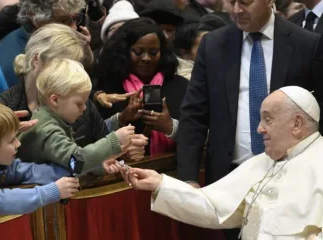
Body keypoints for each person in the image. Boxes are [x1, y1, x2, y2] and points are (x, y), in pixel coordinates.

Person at [125, 86, 323, 239]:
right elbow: (212, 207)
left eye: (267, 120)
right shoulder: (262, 162)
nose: (259, 129)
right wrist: (160, 183)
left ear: (297, 124)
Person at [0, 23, 147, 162]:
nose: (70, 74)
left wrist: (122, 151)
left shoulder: (82, 104)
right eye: (62, 66)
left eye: (75, 67)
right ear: (36, 59)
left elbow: (100, 155)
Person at [0, 100, 80, 215]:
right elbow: (0, 201)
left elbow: (35, 171)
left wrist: (82, 168)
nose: (18, 143)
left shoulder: (2, 165)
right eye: (11, 140)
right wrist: (53, 191)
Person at [18, 58, 131, 175]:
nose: (85, 108)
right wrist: (113, 141)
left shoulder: (49, 119)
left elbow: (67, 166)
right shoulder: (47, 131)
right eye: (79, 103)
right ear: (55, 100)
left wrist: (98, 166)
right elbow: (76, 162)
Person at [94, 17, 188, 155]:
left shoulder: (180, 86)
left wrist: (170, 128)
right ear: (124, 52)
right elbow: (91, 139)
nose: (146, 58)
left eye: (153, 52)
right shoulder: (108, 90)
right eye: (138, 52)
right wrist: (122, 119)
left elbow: (203, 135)